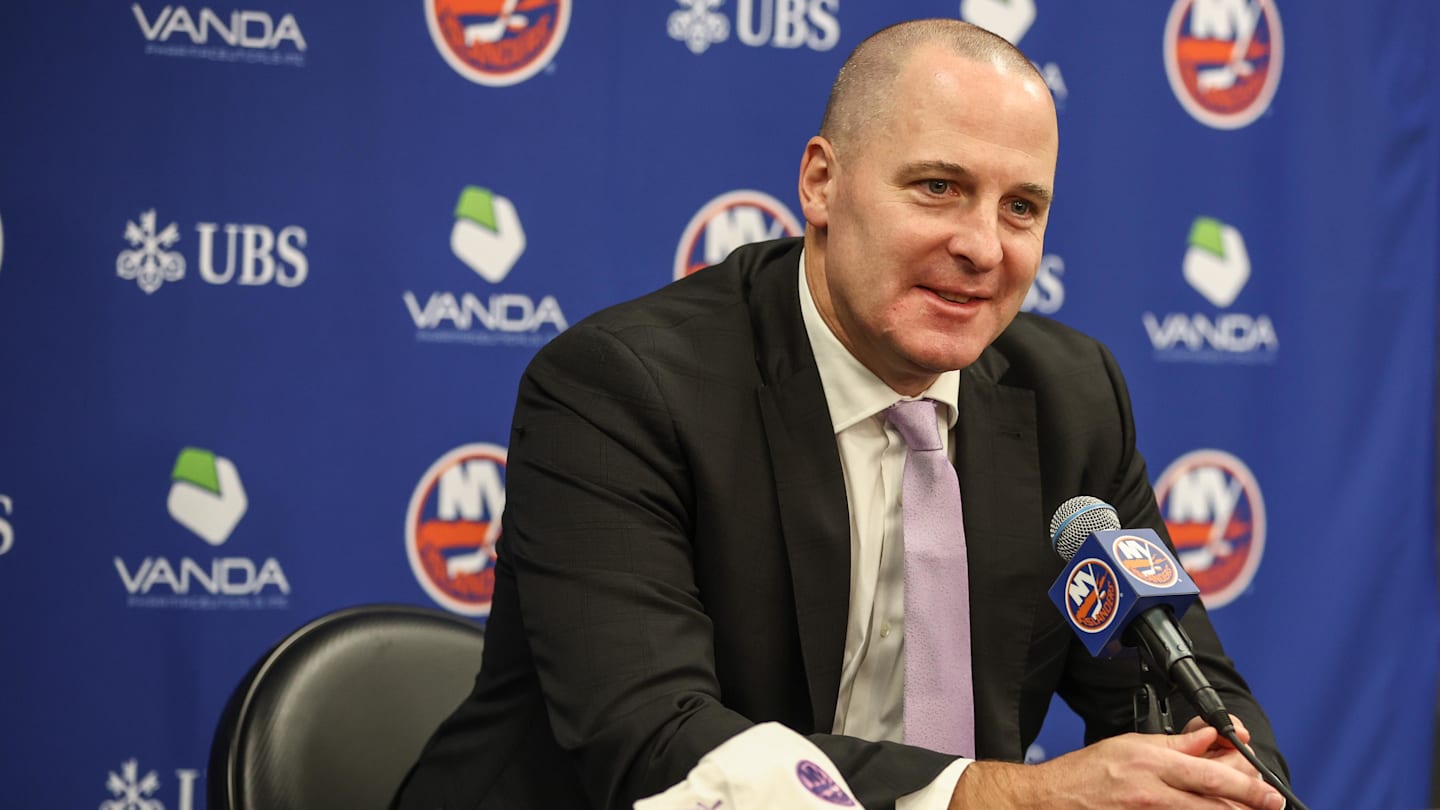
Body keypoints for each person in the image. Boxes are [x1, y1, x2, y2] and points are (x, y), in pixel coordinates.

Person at [393, 18, 1291, 810]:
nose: (981, 246)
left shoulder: (1073, 398)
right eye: (938, 187)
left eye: (1021, 207)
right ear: (821, 184)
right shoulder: (620, 390)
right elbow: (662, 747)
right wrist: (1010, 799)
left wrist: (1216, 781)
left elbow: (1184, 683)